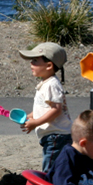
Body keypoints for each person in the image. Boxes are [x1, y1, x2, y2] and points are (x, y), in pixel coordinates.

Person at [18, 42, 72, 173]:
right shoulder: (46, 83)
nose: (31, 64)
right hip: (55, 135)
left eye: (35, 61)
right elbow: (44, 107)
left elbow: (56, 109)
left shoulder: (51, 85)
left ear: (49, 65)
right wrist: (29, 117)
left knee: (50, 168)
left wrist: (36, 122)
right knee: (57, 165)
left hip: (56, 135)